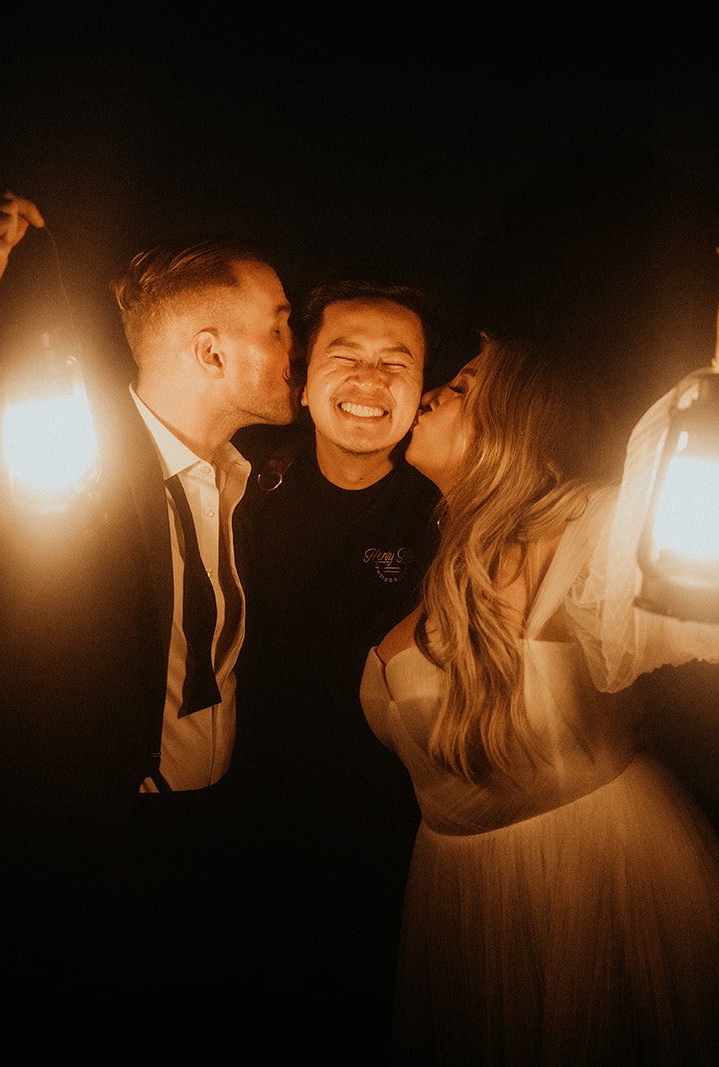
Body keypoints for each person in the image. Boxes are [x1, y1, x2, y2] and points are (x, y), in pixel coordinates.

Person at [361, 247, 719, 1063]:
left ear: (515, 421)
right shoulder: (426, 566)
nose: (434, 389)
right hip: (459, 908)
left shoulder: (579, 537)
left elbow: (702, 578)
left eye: (463, 386)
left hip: (594, 888)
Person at [0, 191, 298, 1037]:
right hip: (93, 856)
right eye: (282, 325)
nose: (301, 346)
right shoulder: (68, 462)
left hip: (222, 843)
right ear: (211, 352)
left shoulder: (256, 482)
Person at [227, 275, 444, 1054]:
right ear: (303, 375)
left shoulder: (445, 511)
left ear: (423, 388)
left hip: (398, 836)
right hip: (248, 824)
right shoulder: (244, 483)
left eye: (397, 362)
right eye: (345, 355)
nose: (370, 379)